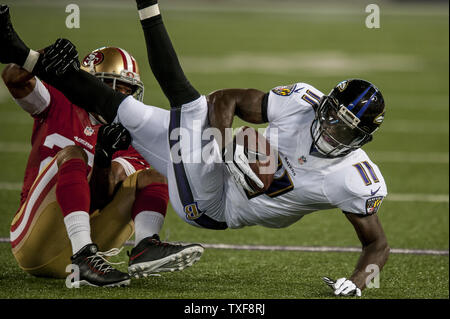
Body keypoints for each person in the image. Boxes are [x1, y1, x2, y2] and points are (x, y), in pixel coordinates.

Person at [0, 2, 390, 296]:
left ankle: (146, 5)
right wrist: (220, 145)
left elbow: (377, 243)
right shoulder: (302, 102)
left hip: (215, 205)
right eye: (332, 118)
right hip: (213, 162)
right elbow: (227, 99)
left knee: (187, 103)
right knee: (125, 111)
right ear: (324, 106)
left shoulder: (355, 179)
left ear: (363, 140)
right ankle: (16, 49)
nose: (332, 132)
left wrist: (357, 282)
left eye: (346, 131)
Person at [1, 44, 204, 287]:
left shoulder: (132, 136)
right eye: (109, 86)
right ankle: (83, 256)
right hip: (35, 238)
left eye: (126, 90)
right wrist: (46, 54)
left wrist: (104, 157)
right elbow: (12, 77)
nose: (117, 96)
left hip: (93, 239)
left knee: (157, 169)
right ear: (87, 82)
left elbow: (99, 196)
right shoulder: (59, 101)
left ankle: (145, 244)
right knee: (73, 154)